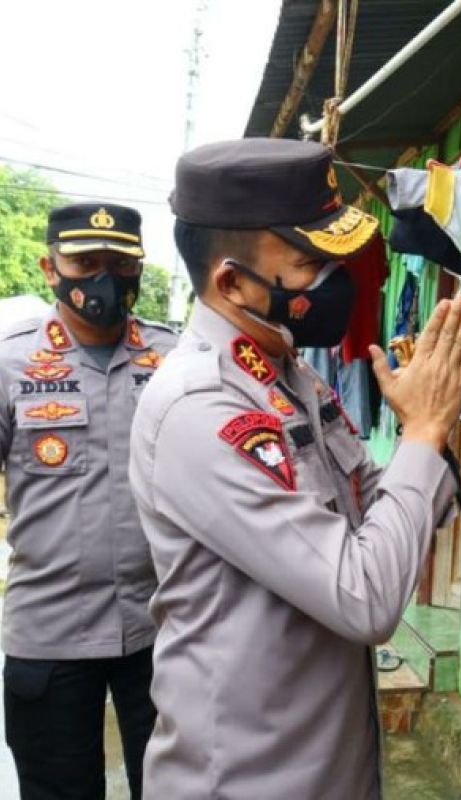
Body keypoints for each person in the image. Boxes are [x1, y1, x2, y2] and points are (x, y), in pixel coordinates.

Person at [128, 139, 461, 798]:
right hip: (248, 780)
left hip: (331, 766)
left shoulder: (292, 378)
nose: (334, 281)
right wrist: (423, 432)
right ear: (232, 282)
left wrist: (431, 429)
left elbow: (393, 511)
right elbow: (367, 595)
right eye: (309, 263)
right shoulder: (199, 407)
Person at [0, 203, 176, 799]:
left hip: (162, 630)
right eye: (85, 262)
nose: (104, 277)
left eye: (120, 262)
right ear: (51, 269)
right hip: (48, 634)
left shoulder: (173, 360)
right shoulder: (10, 362)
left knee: (176, 788)